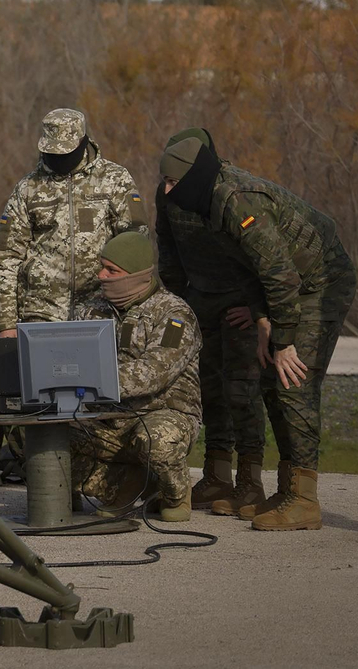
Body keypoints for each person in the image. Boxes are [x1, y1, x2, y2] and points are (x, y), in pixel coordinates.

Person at [160, 137, 357, 531]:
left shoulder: (237, 201)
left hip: (318, 281)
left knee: (292, 382)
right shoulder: (205, 201)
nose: (166, 191)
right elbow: (248, 266)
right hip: (280, 287)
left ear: (193, 176)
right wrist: (262, 319)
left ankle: (304, 500)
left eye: (172, 181)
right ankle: (287, 491)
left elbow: (279, 273)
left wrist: (283, 340)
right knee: (270, 380)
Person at [155, 127, 269, 514]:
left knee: (242, 391)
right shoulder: (167, 195)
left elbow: (263, 256)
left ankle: (250, 482)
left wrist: (255, 308)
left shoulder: (230, 194)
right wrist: (178, 303)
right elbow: (167, 249)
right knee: (209, 390)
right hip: (200, 300)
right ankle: (217, 476)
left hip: (240, 304)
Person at [70, 231, 202, 521]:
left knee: (157, 440)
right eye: (102, 267)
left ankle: (175, 492)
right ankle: (121, 483)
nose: (101, 275)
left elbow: (154, 373)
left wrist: (92, 377)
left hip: (161, 413)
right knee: (40, 436)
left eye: (112, 270)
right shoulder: (91, 309)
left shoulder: (174, 314)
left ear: (136, 274)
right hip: (106, 416)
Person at [0, 108, 147, 333]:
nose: (58, 158)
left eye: (64, 152)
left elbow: (135, 246)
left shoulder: (115, 180)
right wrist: (6, 324)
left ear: (83, 143)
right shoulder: (28, 188)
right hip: (41, 313)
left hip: (101, 311)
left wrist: (132, 309)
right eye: (52, 152)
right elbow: (6, 257)